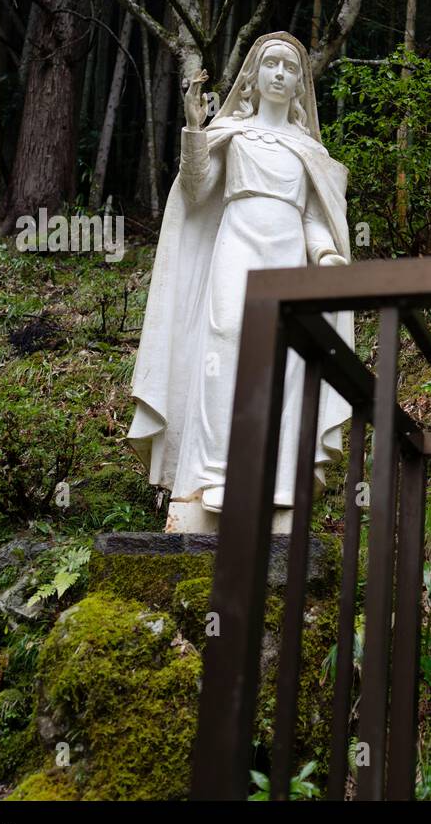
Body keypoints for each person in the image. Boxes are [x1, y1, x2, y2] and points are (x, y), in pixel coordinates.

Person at [126, 32, 353, 533]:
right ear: (253, 75)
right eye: (270, 64)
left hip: (288, 253)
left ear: (299, 84)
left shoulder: (307, 149)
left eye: (289, 68)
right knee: (224, 343)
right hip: (236, 244)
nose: (279, 74)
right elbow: (196, 189)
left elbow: (315, 217)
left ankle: (274, 480)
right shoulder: (232, 133)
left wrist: (327, 253)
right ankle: (213, 475)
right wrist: (193, 127)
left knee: (284, 358)